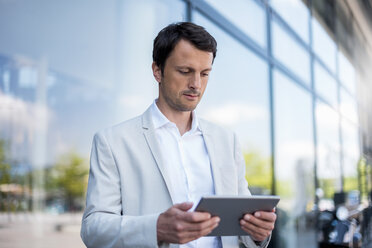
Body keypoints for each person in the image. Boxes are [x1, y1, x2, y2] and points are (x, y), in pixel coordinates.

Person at [81, 22, 276, 248]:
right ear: (157, 71)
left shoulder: (226, 141)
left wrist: (257, 233)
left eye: (204, 74)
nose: (196, 84)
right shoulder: (113, 142)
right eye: (185, 71)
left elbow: (242, 226)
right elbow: (93, 228)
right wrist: (156, 228)